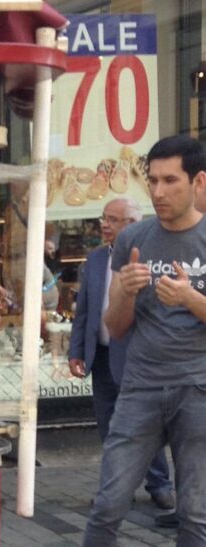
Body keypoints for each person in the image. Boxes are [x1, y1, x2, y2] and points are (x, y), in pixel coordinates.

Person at [45, 135, 206, 547]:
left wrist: (191, 300)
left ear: (198, 183)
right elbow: (113, 326)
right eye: (152, 180)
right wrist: (126, 293)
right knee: (107, 503)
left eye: (169, 181)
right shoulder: (133, 238)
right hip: (139, 387)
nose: (158, 191)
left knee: (194, 512)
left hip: (198, 391)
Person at [68, 196, 174, 511]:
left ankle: (159, 485)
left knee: (143, 424)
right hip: (100, 357)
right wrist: (76, 352)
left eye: (113, 219)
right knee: (109, 425)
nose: (105, 224)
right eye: (104, 217)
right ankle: (117, 488)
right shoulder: (96, 260)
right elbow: (84, 311)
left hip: (136, 357)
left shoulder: (149, 260)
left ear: (132, 225)